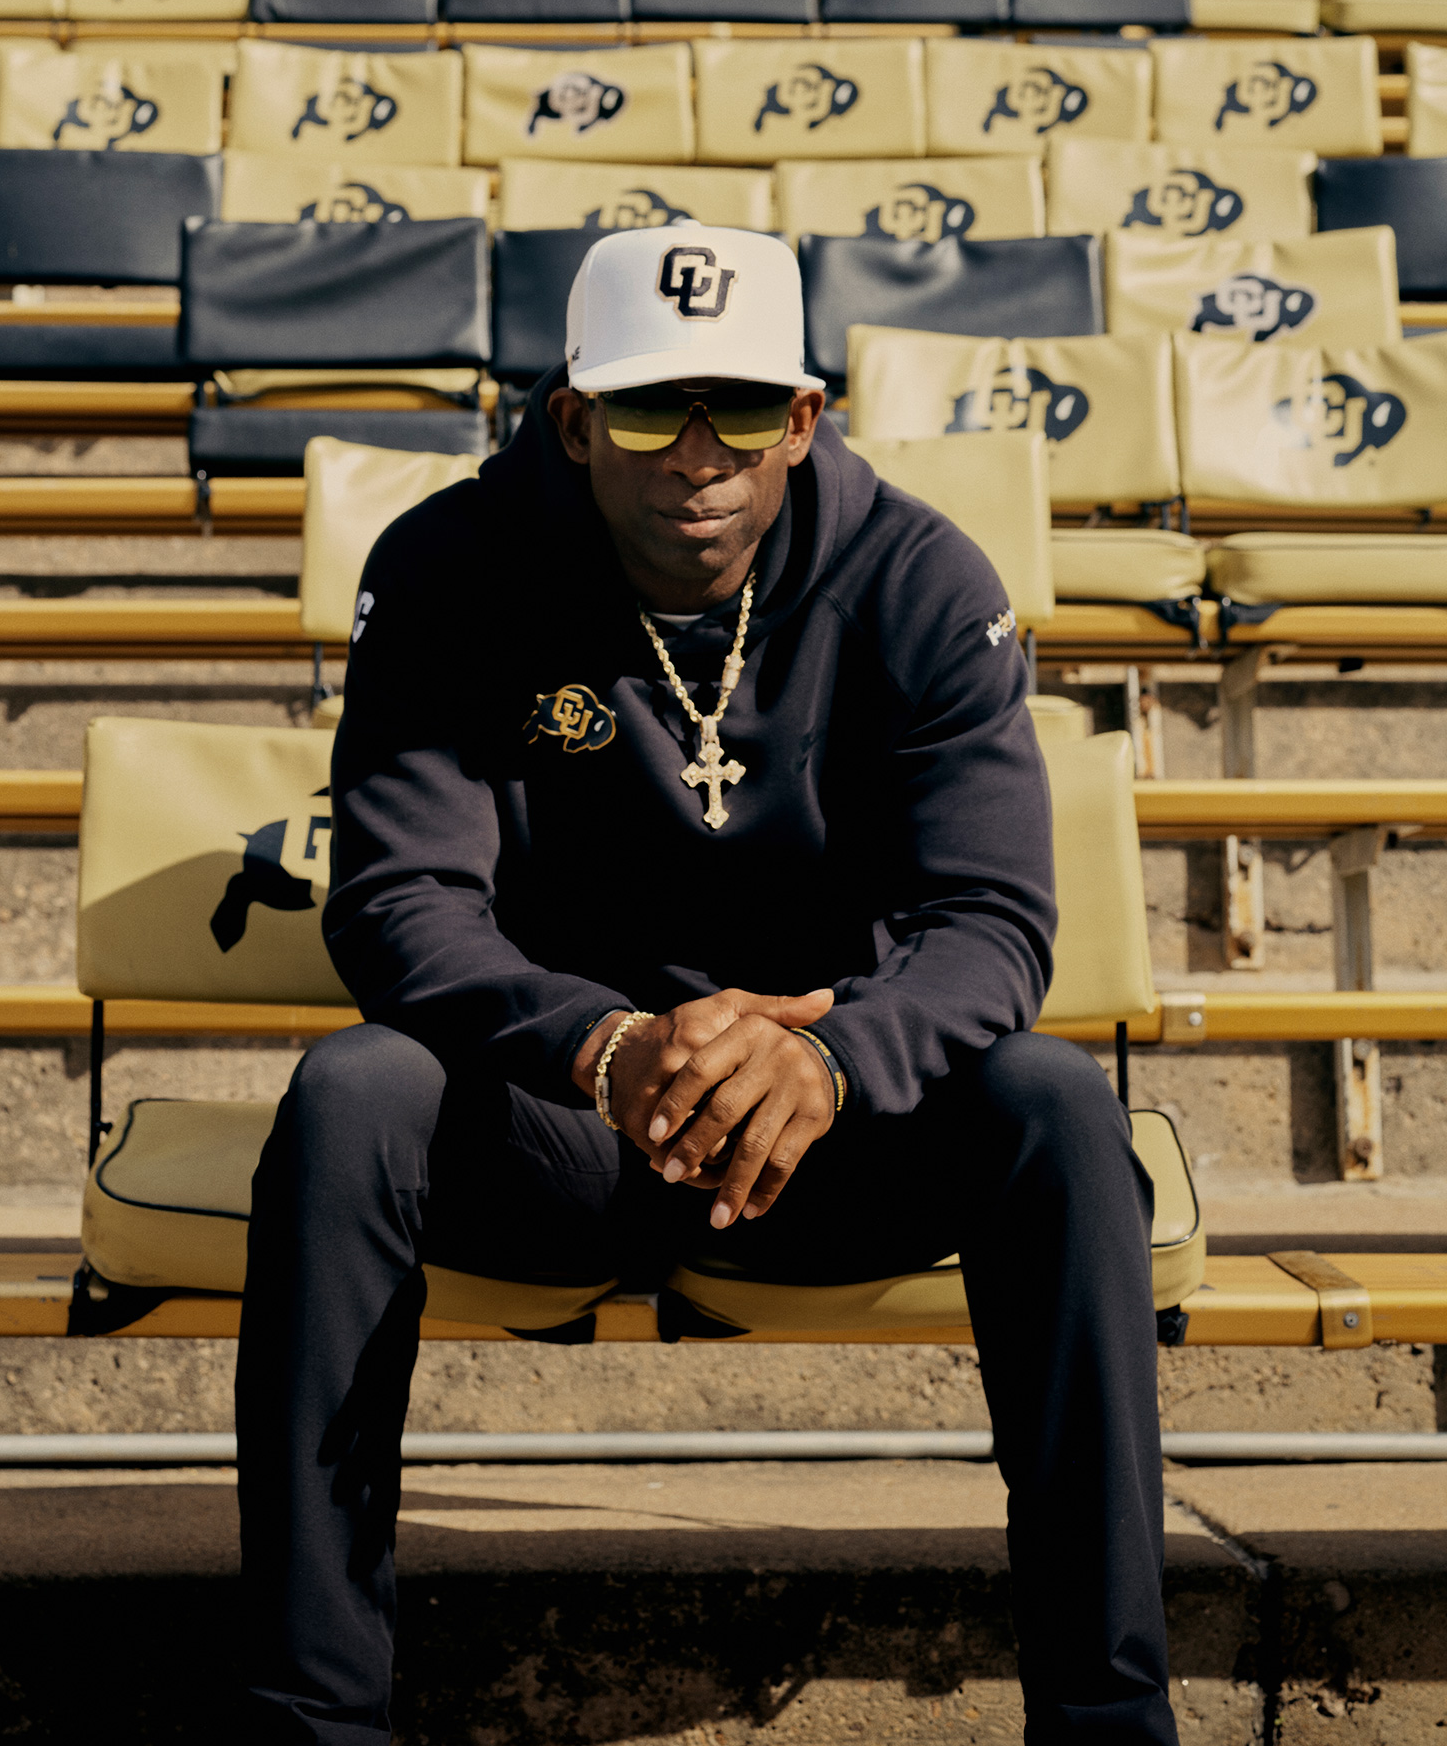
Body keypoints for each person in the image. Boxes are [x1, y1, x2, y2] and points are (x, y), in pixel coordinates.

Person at [239, 224, 1177, 1746]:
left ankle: (1110, 1721)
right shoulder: (452, 566)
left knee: (1060, 1109)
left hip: (831, 1132)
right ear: (572, 419)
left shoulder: (921, 579)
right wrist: (601, 1043)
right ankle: (315, 1725)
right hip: (559, 1116)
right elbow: (402, 899)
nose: (697, 453)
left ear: (803, 420)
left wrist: (831, 1061)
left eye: (741, 408)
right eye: (646, 408)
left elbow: (994, 919)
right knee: (354, 1095)